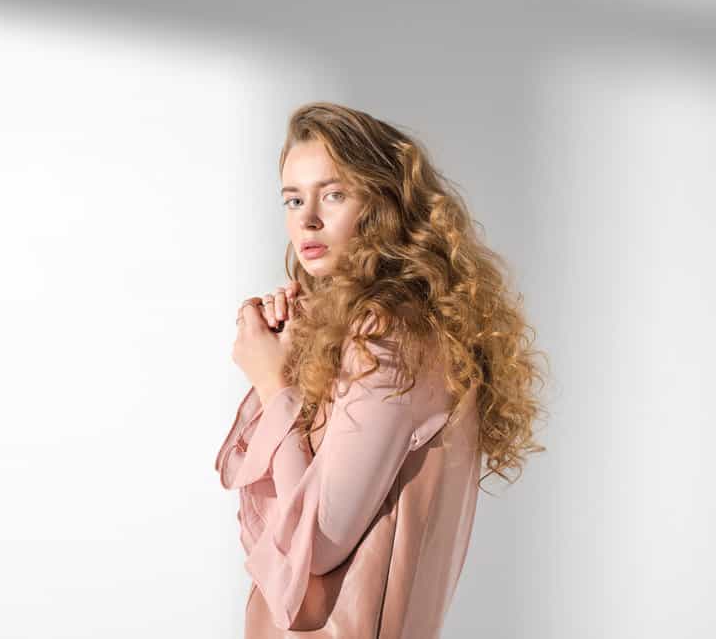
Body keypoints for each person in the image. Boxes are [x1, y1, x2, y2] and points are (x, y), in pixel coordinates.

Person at [215, 101, 548, 637]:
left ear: (384, 204)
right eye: (294, 199)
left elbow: (316, 544)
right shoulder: (383, 332)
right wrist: (297, 359)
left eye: (335, 193)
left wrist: (271, 381)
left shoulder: (389, 336)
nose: (309, 219)